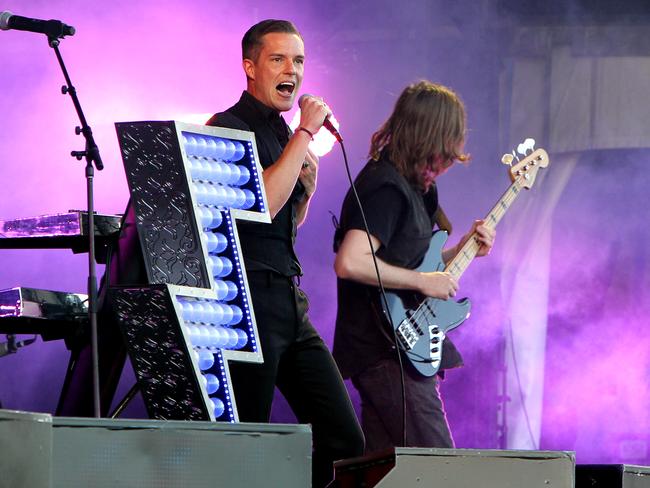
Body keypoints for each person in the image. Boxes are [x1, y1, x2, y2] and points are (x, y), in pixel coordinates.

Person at [206, 19, 363, 487]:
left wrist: (307, 196)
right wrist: (304, 135)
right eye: (278, 59)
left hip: (287, 302)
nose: (291, 70)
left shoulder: (281, 133)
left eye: (298, 60)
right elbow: (262, 205)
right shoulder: (226, 128)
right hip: (244, 305)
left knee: (344, 442)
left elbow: (281, 224)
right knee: (248, 440)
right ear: (250, 67)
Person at [332, 80, 496, 452]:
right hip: (384, 349)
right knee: (438, 468)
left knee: (387, 472)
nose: (449, 162)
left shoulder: (419, 190)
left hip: (401, 349)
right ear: (429, 138)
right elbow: (351, 261)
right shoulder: (384, 186)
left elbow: (414, 264)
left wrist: (464, 251)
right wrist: (423, 281)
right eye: (445, 151)